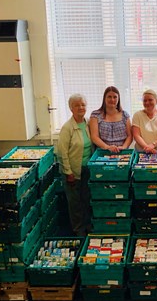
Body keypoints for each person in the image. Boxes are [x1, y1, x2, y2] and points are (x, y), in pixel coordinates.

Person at [57, 93, 93, 236]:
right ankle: (78, 231)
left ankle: (89, 228)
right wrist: (68, 172)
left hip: (87, 169)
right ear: (71, 108)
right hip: (73, 172)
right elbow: (62, 152)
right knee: (75, 204)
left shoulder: (88, 123)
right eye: (77, 105)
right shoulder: (67, 128)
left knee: (87, 200)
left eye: (83, 104)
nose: (81, 107)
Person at [89, 86, 132, 153]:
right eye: (109, 97)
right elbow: (94, 137)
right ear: (104, 98)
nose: (112, 99)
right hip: (102, 152)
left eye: (115, 97)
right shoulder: (95, 115)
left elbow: (130, 136)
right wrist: (107, 147)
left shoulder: (125, 115)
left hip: (122, 152)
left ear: (118, 99)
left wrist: (124, 147)